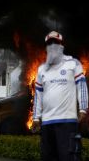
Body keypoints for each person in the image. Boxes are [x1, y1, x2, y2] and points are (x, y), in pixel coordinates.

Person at [32, 31, 88, 161]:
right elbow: (38, 95)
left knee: (68, 157)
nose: (52, 45)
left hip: (67, 122)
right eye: (49, 43)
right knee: (48, 157)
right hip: (47, 124)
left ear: (61, 45)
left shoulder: (73, 64)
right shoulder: (41, 69)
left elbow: (82, 87)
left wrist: (83, 109)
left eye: (55, 42)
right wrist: (36, 117)